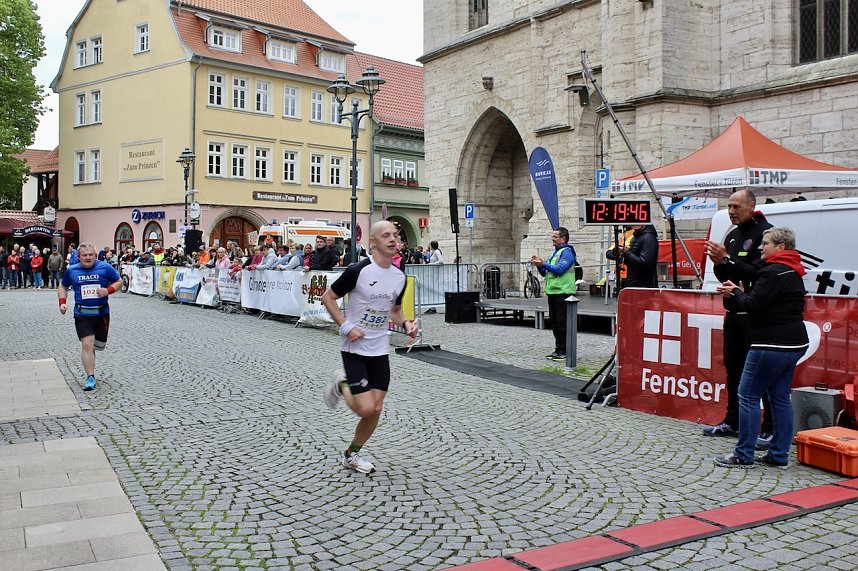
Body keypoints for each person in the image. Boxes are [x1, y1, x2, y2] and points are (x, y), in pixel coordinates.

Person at [320, 221, 418, 473]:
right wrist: (344, 326)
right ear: (373, 242)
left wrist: (406, 323)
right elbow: (328, 298)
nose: (393, 239)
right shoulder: (358, 270)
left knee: (376, 409)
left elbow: (394, 311)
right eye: (386, 235)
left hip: (379, 350)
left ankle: (351, 454)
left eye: (395, 235)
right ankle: (341, 383)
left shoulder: (399, 277)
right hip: (354, 347)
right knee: (364, 407)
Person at [714, 227, 808, 468]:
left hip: (770, 343)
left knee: (747, 395)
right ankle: (778, 455)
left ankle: (743, 454)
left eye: (765, 243)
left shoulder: (772, 273)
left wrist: (735, 292)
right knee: (780, 398)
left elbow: (752, 305)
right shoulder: (794, 271)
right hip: (794, 342)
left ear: (780, 247)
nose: (759, 247)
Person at [703, 190, 774, 445]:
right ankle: (733, 421)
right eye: (729, 206)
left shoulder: (766, 234)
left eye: (736, 206)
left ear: (751, 206)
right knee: (733, 368)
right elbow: (726, 275)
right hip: (734, 312)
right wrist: (719, 262)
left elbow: (757, 273)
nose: (731, 211)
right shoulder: (732, 235)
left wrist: (727, 260)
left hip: (756, 314)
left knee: (761, 373)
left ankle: (770, 427)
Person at [58, 242, 123, 391]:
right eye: (84, 255)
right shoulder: (72, 270)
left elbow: (119, 281)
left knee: (98, 345)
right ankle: (90, 377)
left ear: (95, 255)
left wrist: (108, 290)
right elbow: (63, 286)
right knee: (87, 345)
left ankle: (91, 359)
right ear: (78, 257)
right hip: (82, 313)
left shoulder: (105, 267)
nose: (88, 257)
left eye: (90, 255)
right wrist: (62, 302)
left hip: (102, 313)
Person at [531, 227, 577, 361]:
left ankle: (565, 351)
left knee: (563, 323)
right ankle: (558, 349)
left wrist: (543, 263)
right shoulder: (555, 253)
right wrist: (539, 266)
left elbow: (559, 270)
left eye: (555, 237)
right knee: (555, 323)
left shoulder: (567, 253)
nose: (552, 239)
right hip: (553, 292)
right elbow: (546, 273)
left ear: (563, 238)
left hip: (564, 292)